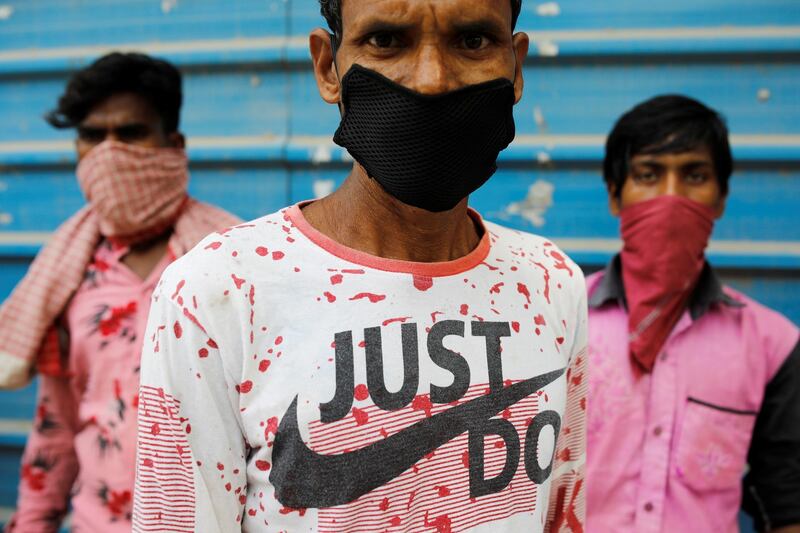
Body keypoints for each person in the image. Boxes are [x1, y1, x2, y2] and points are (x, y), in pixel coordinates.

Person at [132, 0, 588, 531]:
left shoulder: (553, 281)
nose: (432, 80)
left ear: (516, 68)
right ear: (328, 67)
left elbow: (561, 512)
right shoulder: (219, 290)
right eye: (387, 41)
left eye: (472, 41)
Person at [0, 52, 240, 532]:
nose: (108, 152)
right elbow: (57, 422)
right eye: (91, 136)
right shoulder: (65, 273)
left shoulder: (228, 258)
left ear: (174, 144)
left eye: (129, 134)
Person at [585, 95, 800, 533]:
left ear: (719, 199)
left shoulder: (773, 346)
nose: (671, 199)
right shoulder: (558, 323)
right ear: (614, 195)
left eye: (694, 175)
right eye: (648, 175)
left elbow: (786, 505)